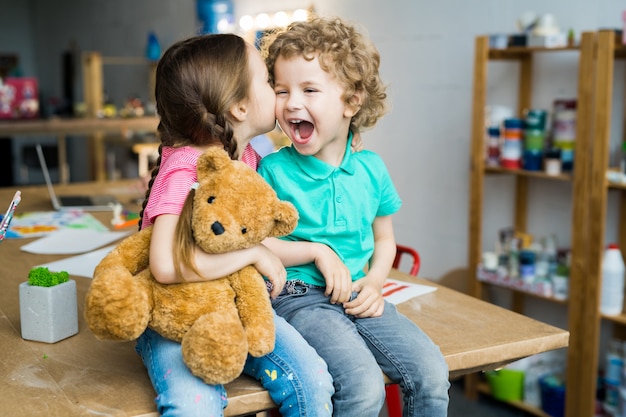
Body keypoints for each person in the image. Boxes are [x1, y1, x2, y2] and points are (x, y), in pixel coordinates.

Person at [258, 16, 450, 417]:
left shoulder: (372, 169)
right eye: (281, 90)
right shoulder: (272, 170)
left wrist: (376, 283)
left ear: (352, 102)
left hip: (360, 292)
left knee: (431, 372)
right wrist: (314, 251)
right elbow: (258, 244)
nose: (292, 102)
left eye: (309, 89)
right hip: (299, 297)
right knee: (362, 387)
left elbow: (384, 240)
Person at [135, 33, 334, 417]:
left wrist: (314, 251)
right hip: (174, 318)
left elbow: (245, 242)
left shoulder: (246, 158)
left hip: (234, 306)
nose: (275, 89)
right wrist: (254, 253)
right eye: (265, 80)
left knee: (312, 380)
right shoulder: (184, 167)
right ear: (240, 107)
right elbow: (163, 266)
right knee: (196, 406)